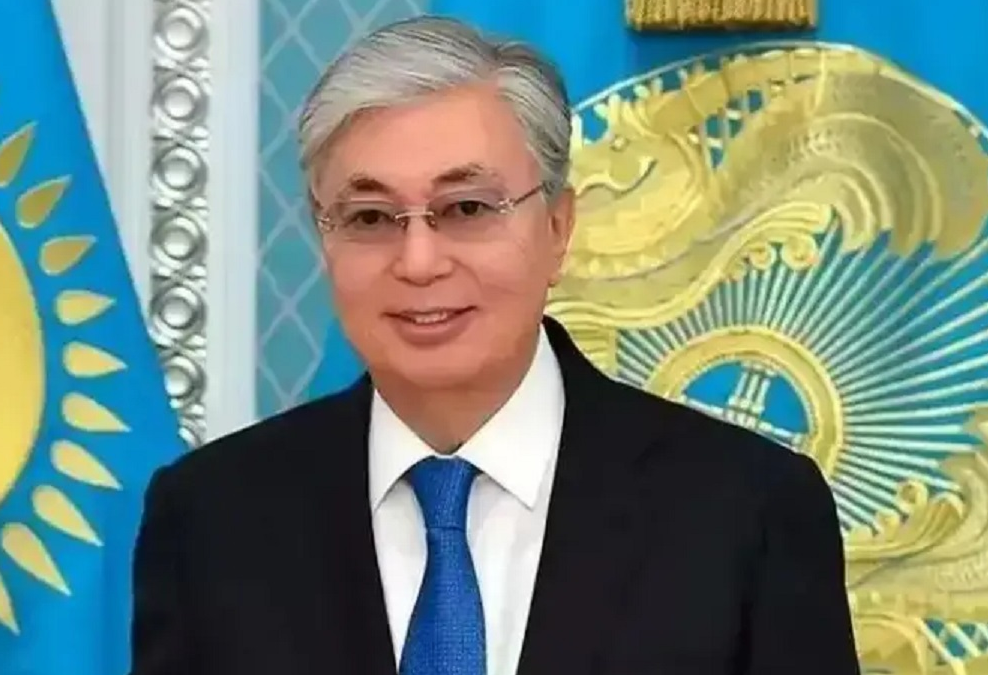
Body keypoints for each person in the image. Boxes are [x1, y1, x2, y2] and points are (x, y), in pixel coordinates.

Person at [128, 15, 860, 675]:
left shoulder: (744, 511)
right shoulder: (212, 519)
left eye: (467, 208)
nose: (419, 262)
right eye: (371, 217)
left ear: (558, 228)